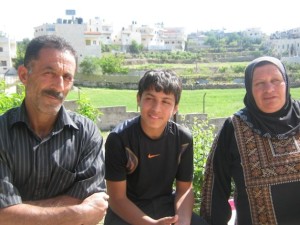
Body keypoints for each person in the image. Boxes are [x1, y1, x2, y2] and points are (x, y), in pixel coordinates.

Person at [0, 35, 108, 225]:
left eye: (67, 77)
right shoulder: (1, 134)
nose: (59, 86)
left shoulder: (85, 134)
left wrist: (18, 210)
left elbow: (92, 204)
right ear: (24, 75)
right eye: (49, 73)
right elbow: (3, 215)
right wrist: (79, 213)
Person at [200, 56, 300, 225]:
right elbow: (214, 186)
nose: (269, 89)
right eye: (259, 83)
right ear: (249, 88)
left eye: (276, 80)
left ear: (286, 83)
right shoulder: (234, 128)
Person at [104, 69, 208, 225]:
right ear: (139, 99)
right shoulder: (119, 139)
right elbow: (117, 198)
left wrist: (182, 221)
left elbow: (184, 189)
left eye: (166, 101)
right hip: (127, 212)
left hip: (165, 205)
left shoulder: (183, 139)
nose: (156, 108)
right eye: (150, 98)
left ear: (175, 108)